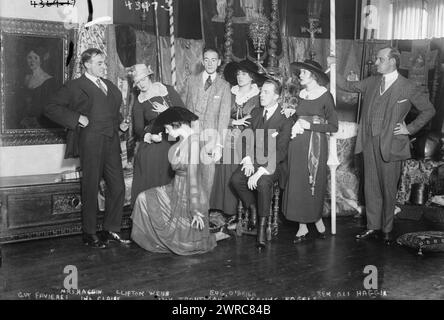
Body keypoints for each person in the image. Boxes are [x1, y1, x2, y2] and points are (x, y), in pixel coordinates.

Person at [331, 47, 435, 244]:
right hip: (368, 142)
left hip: (392, 145)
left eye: (380, 59)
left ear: (392, 62)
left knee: (388, 189)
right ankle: (372, 226)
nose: (375, 63)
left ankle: (387, 229)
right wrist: (333, 66)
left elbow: (429, 110)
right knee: (371, 187)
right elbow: (348, 86)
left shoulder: (408, 87)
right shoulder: (371, 82)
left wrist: (409, 128)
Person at [45, 48, 130, 249]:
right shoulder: (75, 86)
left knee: (118, 186)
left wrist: (120, 124)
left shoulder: (108, 85)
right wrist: (76, 118)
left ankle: (110, 229)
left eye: (104, 62)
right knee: (90, 187)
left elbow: (111, 111)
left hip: (111, 142)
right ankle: (89, 232)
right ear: (87, 64)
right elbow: (50, 107)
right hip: (90, 142)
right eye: (99, 62)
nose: (103, 66)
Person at [131, 107, 217, 255]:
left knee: (144, 198)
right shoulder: (183, 140)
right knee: (143, 198)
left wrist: (195, 210)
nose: (165, 132)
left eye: (166, 128)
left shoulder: (194, 144)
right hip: (176, 187)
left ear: (175, 124)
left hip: (188, 195)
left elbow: (194, 179)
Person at [230, 79, 293, 249]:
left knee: (263, 183)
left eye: (266, 92)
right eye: (261, 91)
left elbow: (281, 151)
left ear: (277, 97)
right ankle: (253, 209)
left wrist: (260, 172)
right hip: (255, 160)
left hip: (275, 164)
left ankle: (262, 229)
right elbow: (245, 138)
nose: (261, 95)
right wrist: (248, 159)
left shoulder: (285, 119)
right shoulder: (256, 112)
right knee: (236, 180)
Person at [282, 60, 338, 243]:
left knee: (313, 182)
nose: (300, 76)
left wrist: (311, 125)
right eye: (300, 73)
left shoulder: (325, 96)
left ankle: (316, 217)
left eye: (303, 73)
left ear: (314, 76)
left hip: (316, 145)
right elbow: (294, 118)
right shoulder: (299, 94)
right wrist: (289, 113)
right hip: (296, 144)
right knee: (298, 183)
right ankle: (302, 225)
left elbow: (333, 126)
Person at [210, 59, 264, 223]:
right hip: (226, 133)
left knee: (236, 163)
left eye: (245, 74)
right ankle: (219, 209)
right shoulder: (229, 92)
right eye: (238, 73)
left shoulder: (257, 96)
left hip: (248, 138)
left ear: (252, 77)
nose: (240, 77)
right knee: (222, 163)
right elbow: (216, 116)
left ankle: (235, 211)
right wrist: (233, 122)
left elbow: (259, 121)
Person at [130, 64, 185, 206]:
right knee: (148, 158)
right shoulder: (139, 102)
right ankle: (150, 208)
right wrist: (149, 136)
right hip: (154, 137)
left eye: (143, 80)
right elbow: (138, 129)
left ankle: (168, 207)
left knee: (168, 158)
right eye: (137, 82)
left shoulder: (167, 90)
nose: (141, 84)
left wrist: (167, 110)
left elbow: (184, 113)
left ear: (149, 77)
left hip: (174, 135)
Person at [183, 47, 231, 199]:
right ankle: (186, 216)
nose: (210, 63)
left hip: (211, 140)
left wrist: (219, 145)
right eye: (207, 59)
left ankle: (202, 217)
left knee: (207, 180)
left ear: (219, 62)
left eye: (213, 60)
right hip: (191, 137)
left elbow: (224, 118)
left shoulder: (224, 86)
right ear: (203, 62)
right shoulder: (191, 81)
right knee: (188, 178)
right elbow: (184, 109)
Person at [20, 48, 58, 129]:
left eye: (35, 58)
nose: (32, 61)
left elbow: (49, 107)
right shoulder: (26, 78)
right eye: (29, 57)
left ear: (41, 60)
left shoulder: (48, 80)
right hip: (24, 121)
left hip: (40, 123)